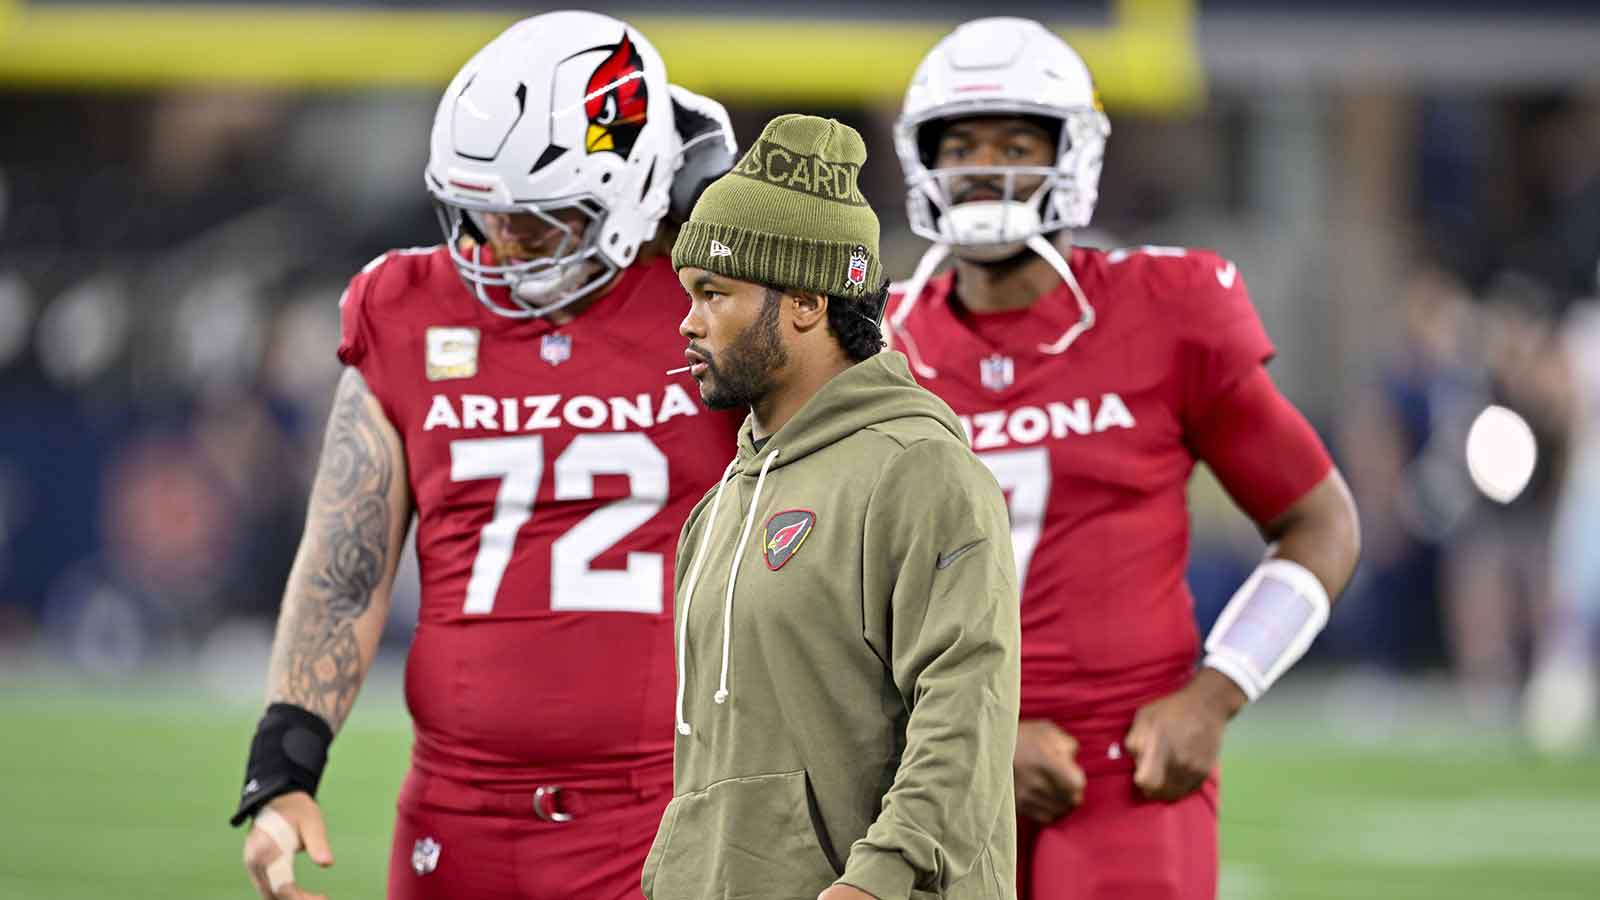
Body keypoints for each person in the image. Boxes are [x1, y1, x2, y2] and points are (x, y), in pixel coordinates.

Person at [229, 11, 742, 900]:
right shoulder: (407, 307)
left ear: (630, 189)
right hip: (454, 819)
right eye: (483, 216)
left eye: (537, 224)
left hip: (667, 810)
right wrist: (285, 766)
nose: (500, 249)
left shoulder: (722, 306)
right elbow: (346, 570)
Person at [886, 17, 1362, 900]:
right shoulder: (874, 346)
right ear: (925, 163)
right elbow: (828, 595)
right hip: (924, 763)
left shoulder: (1165, 312)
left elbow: (1320, 523)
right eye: (962, 144)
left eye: (1018, 142)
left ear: (1073, 156)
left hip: (1126, 765)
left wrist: (1214, 696)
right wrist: (972, 735)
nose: (986, 165)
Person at [644, 114, 1021, 900]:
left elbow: (965, 710)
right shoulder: (717, 510)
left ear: (808, 302)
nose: (688, 320)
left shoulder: (921, 470)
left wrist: (876, 881)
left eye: (714, 292)